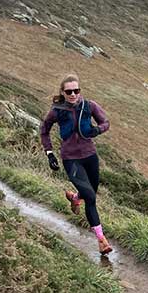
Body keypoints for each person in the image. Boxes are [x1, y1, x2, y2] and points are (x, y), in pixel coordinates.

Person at [40, 73, 113, 255]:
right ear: (63, 93)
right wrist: (50, 153)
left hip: (90, 156)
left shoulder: (89, 106)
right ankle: (101, 239)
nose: (73, 94)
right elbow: (44, 131)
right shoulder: (57, 110)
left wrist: (97, 130)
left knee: (90, 191)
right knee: (90, 197)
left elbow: (106, 122)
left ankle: (74, 198)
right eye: (69, 91)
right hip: (70, 159)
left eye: (76, 90)